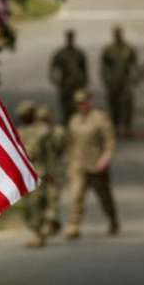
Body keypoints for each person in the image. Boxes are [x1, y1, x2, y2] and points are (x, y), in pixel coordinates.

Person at [64, 89, 119, 239]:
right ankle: (73, 226)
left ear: (89, 102)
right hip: (78, 164)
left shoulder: (99, 118)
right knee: (76, 195)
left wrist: (105, 158)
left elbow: (110, 140)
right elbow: (70, 142)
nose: (81, 105)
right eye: (78, 103)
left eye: (83, 102)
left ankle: (112, 219)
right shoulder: (74, 120)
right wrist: (68, 161)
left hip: (96, 164)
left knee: (104, 196)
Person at [15, 100, 50, 247]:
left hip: (38, 171)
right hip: (24, 173)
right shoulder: (19, 132)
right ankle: (36, 229)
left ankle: (38, 233)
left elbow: (49, 154)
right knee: (26, 207)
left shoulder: (43, 131)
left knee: (36, 203)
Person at [101, 25, 140, 138]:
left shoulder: (128, 49)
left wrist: (135, 78)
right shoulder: (108, 50)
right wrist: (106, 79)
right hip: (113, 82)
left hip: (125, 82)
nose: (117, 35)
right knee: (113, 105)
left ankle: (127, 128)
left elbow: (135, 65)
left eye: (119, 33)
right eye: (116, 33)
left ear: (122, 34)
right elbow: (104, 66)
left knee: (127, 105)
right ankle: (115, 128)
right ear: (114, 35)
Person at [34, 105, 66, 237]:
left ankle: (50, 224)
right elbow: (33, 151)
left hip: (55, 171)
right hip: (41, 171)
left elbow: (61, 147)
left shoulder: (58, 132)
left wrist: (51, 135)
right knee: (40, 200)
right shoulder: (35, 133)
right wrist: (40, 137)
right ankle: (47, 225)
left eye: (45, 120)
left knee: (53, 198)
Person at [50, 29, 89, 124]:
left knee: (78, 106)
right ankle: (66, 124)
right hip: (65, 85)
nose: (70, 39)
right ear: (66, 38)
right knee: (65, 108)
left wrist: (84, 82)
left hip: (77, 85)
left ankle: (77, 126)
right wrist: (56, 81)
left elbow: (84, 69)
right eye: (69, 37)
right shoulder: (61, 53)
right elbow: (53, 68)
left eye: (72, 37)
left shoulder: (79, 53)